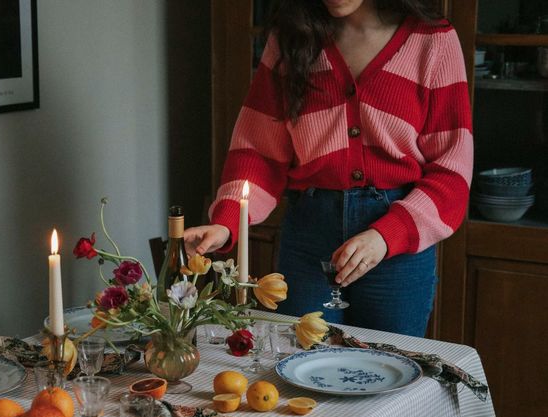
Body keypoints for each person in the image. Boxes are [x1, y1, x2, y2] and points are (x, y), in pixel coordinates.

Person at [184, 0, 473, 336]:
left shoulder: (433, 41)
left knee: (389, 370)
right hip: (308, 236)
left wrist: (387, 235)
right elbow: (259, 151)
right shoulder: (289, 40)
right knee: (300, 366)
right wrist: (227, 222)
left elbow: (451, 170)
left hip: (398, 243)